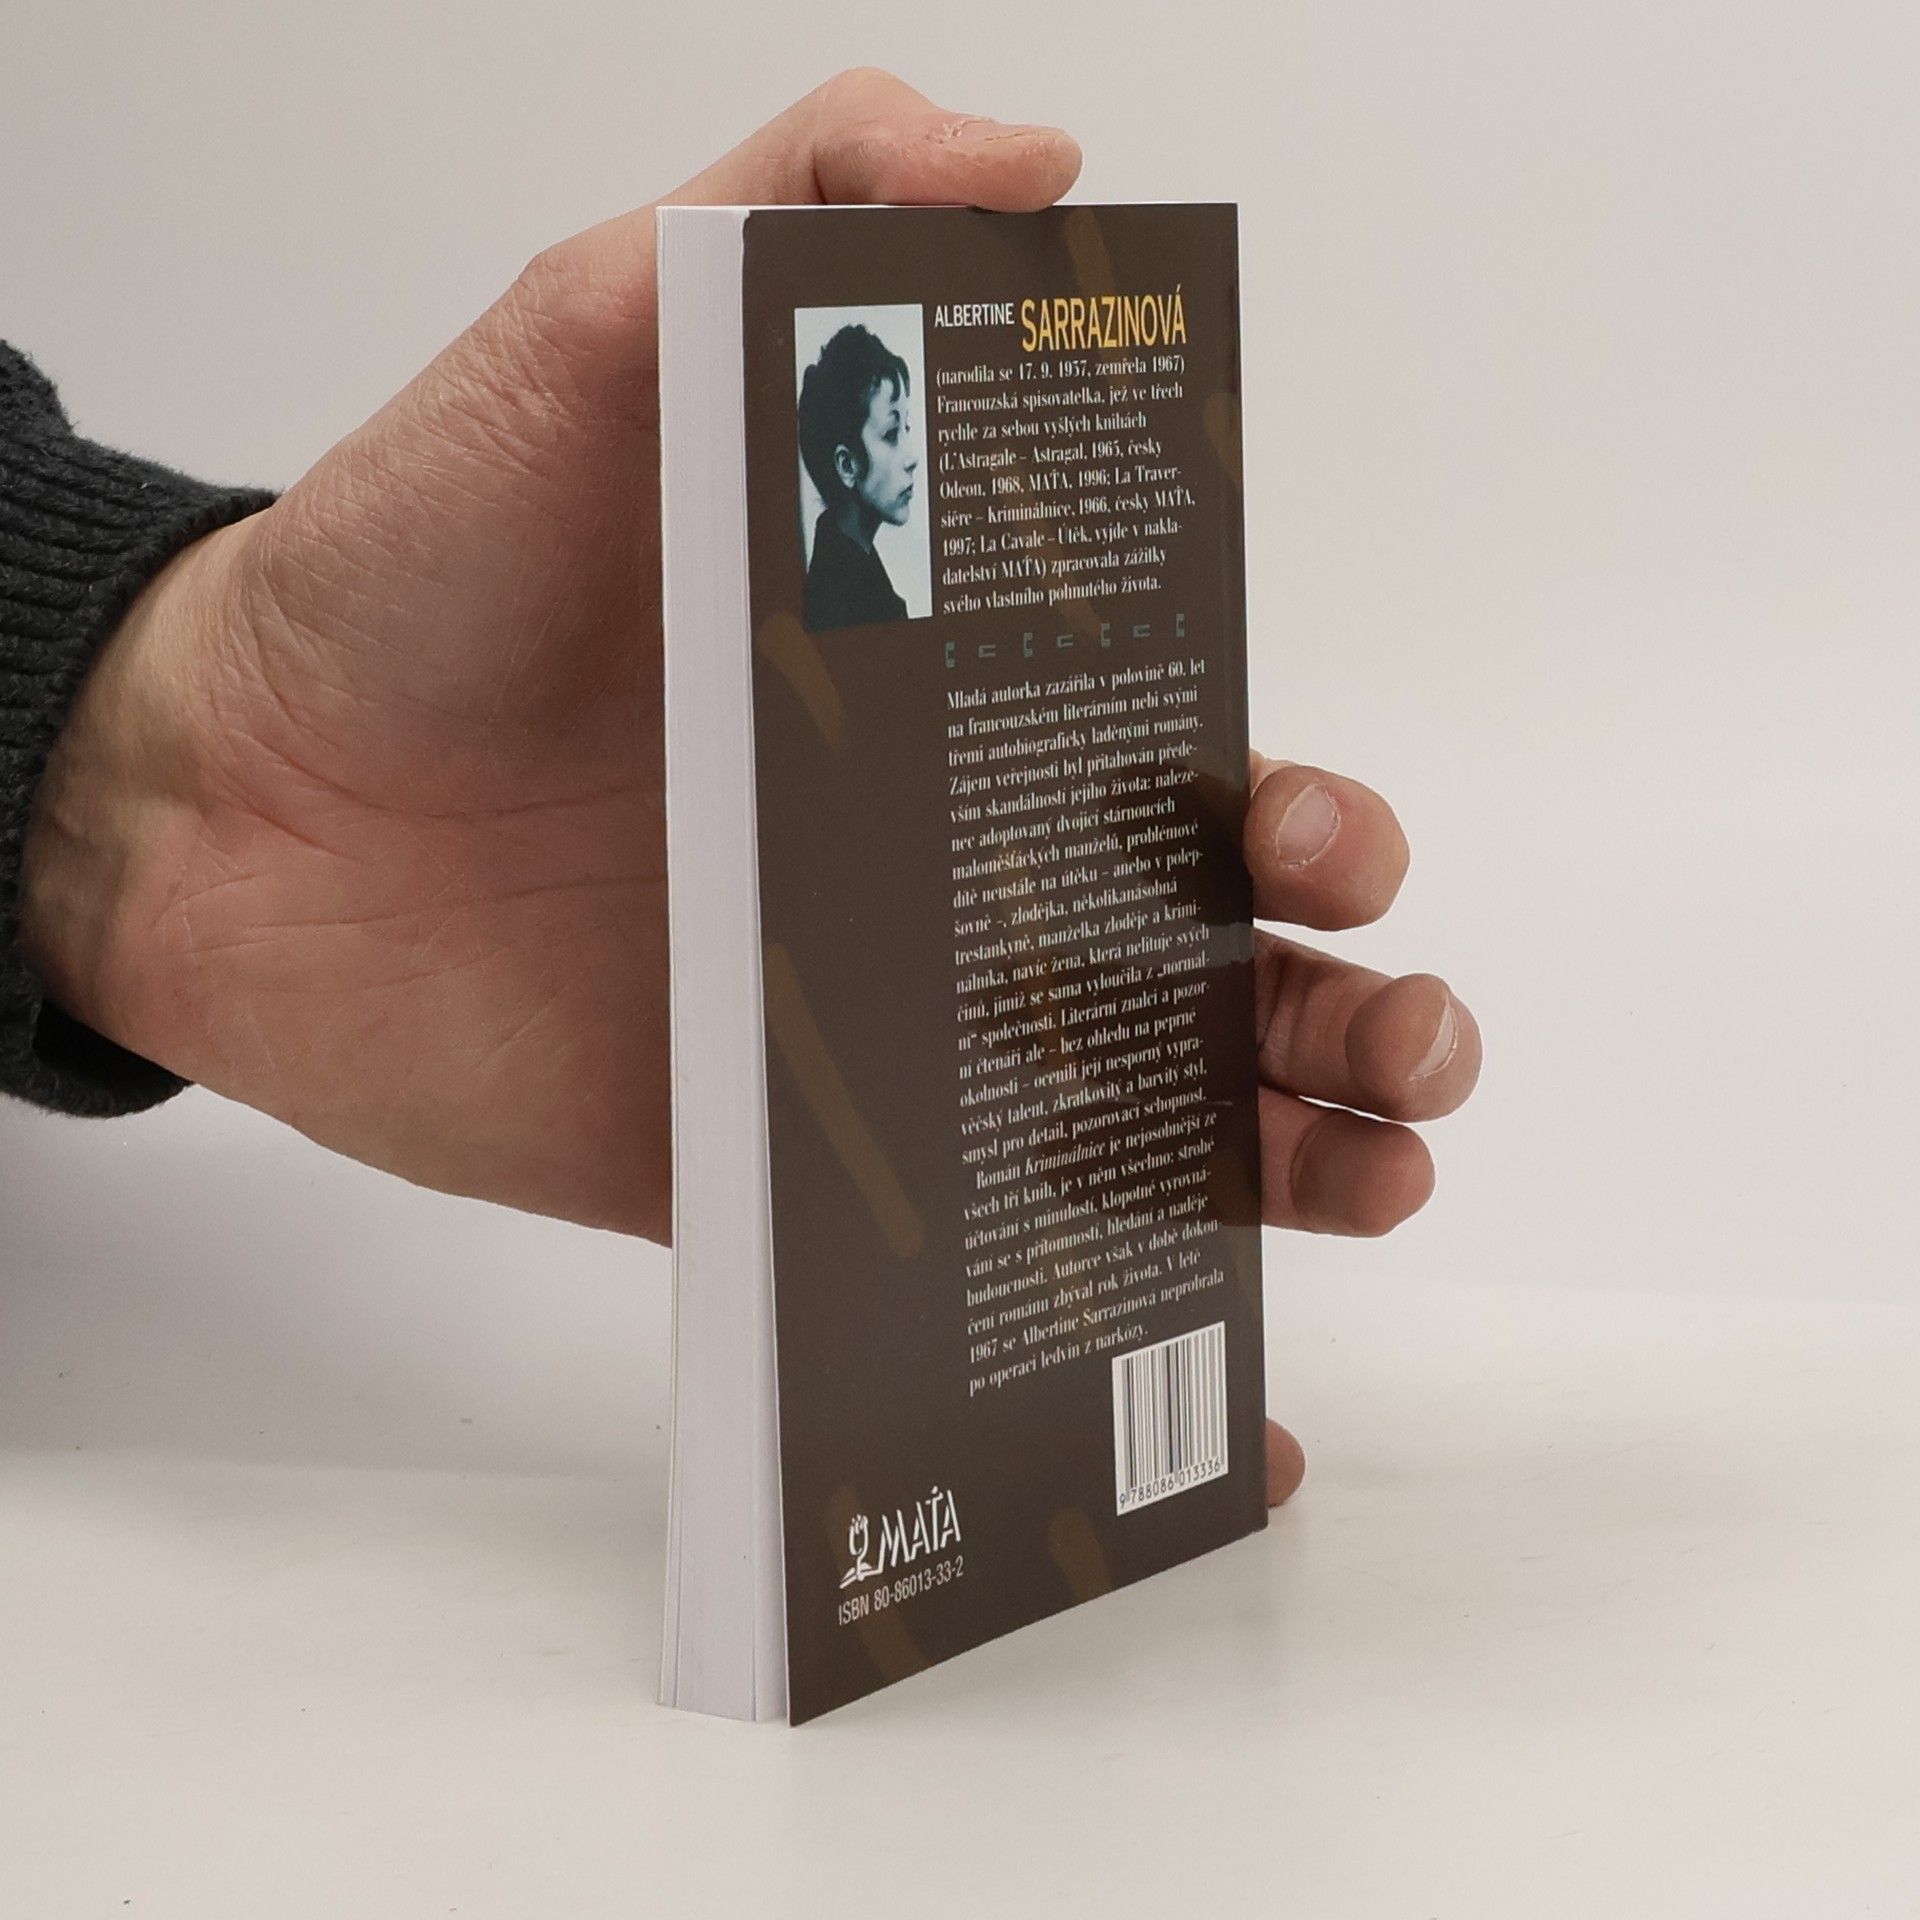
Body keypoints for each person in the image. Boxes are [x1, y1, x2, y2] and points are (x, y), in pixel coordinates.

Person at [0, 68, 1481, 1509]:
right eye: (894, 429)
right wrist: (184, 757)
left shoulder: (863, 616)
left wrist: (160, 740)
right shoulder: (842, 575)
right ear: (837, 448)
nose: (916, 458)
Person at [798, 321, 917, 629]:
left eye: (906, 427)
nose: (912, 458)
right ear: (847, 466)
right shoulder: (839, 604)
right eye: (891, 433)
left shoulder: (851, 568)